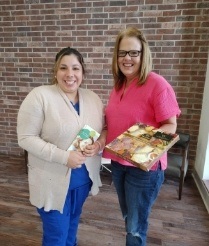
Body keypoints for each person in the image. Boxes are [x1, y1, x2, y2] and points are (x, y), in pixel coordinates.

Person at [101, 27, 181, 246]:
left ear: (143, 54)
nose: (127, 58)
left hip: (144, 169)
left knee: (135, 227)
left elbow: (170, 125)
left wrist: (138, 146)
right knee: (129, 218)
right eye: (122, 52)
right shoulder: (119, 85)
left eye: (133, 53)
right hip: (118, 163)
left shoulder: (157, 84)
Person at [17, 47, 104, 246]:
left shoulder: (93, 99)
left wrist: (99, 144)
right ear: (55, 71)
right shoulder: (40, 96)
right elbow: (26, 138)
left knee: (72, 228)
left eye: (75, 68)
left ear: (83, 72)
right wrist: (64, 157)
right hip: (50, 182)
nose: (70, 74)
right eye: (63, 68)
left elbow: (105, 128)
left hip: (82, 180)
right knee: (56, 236)